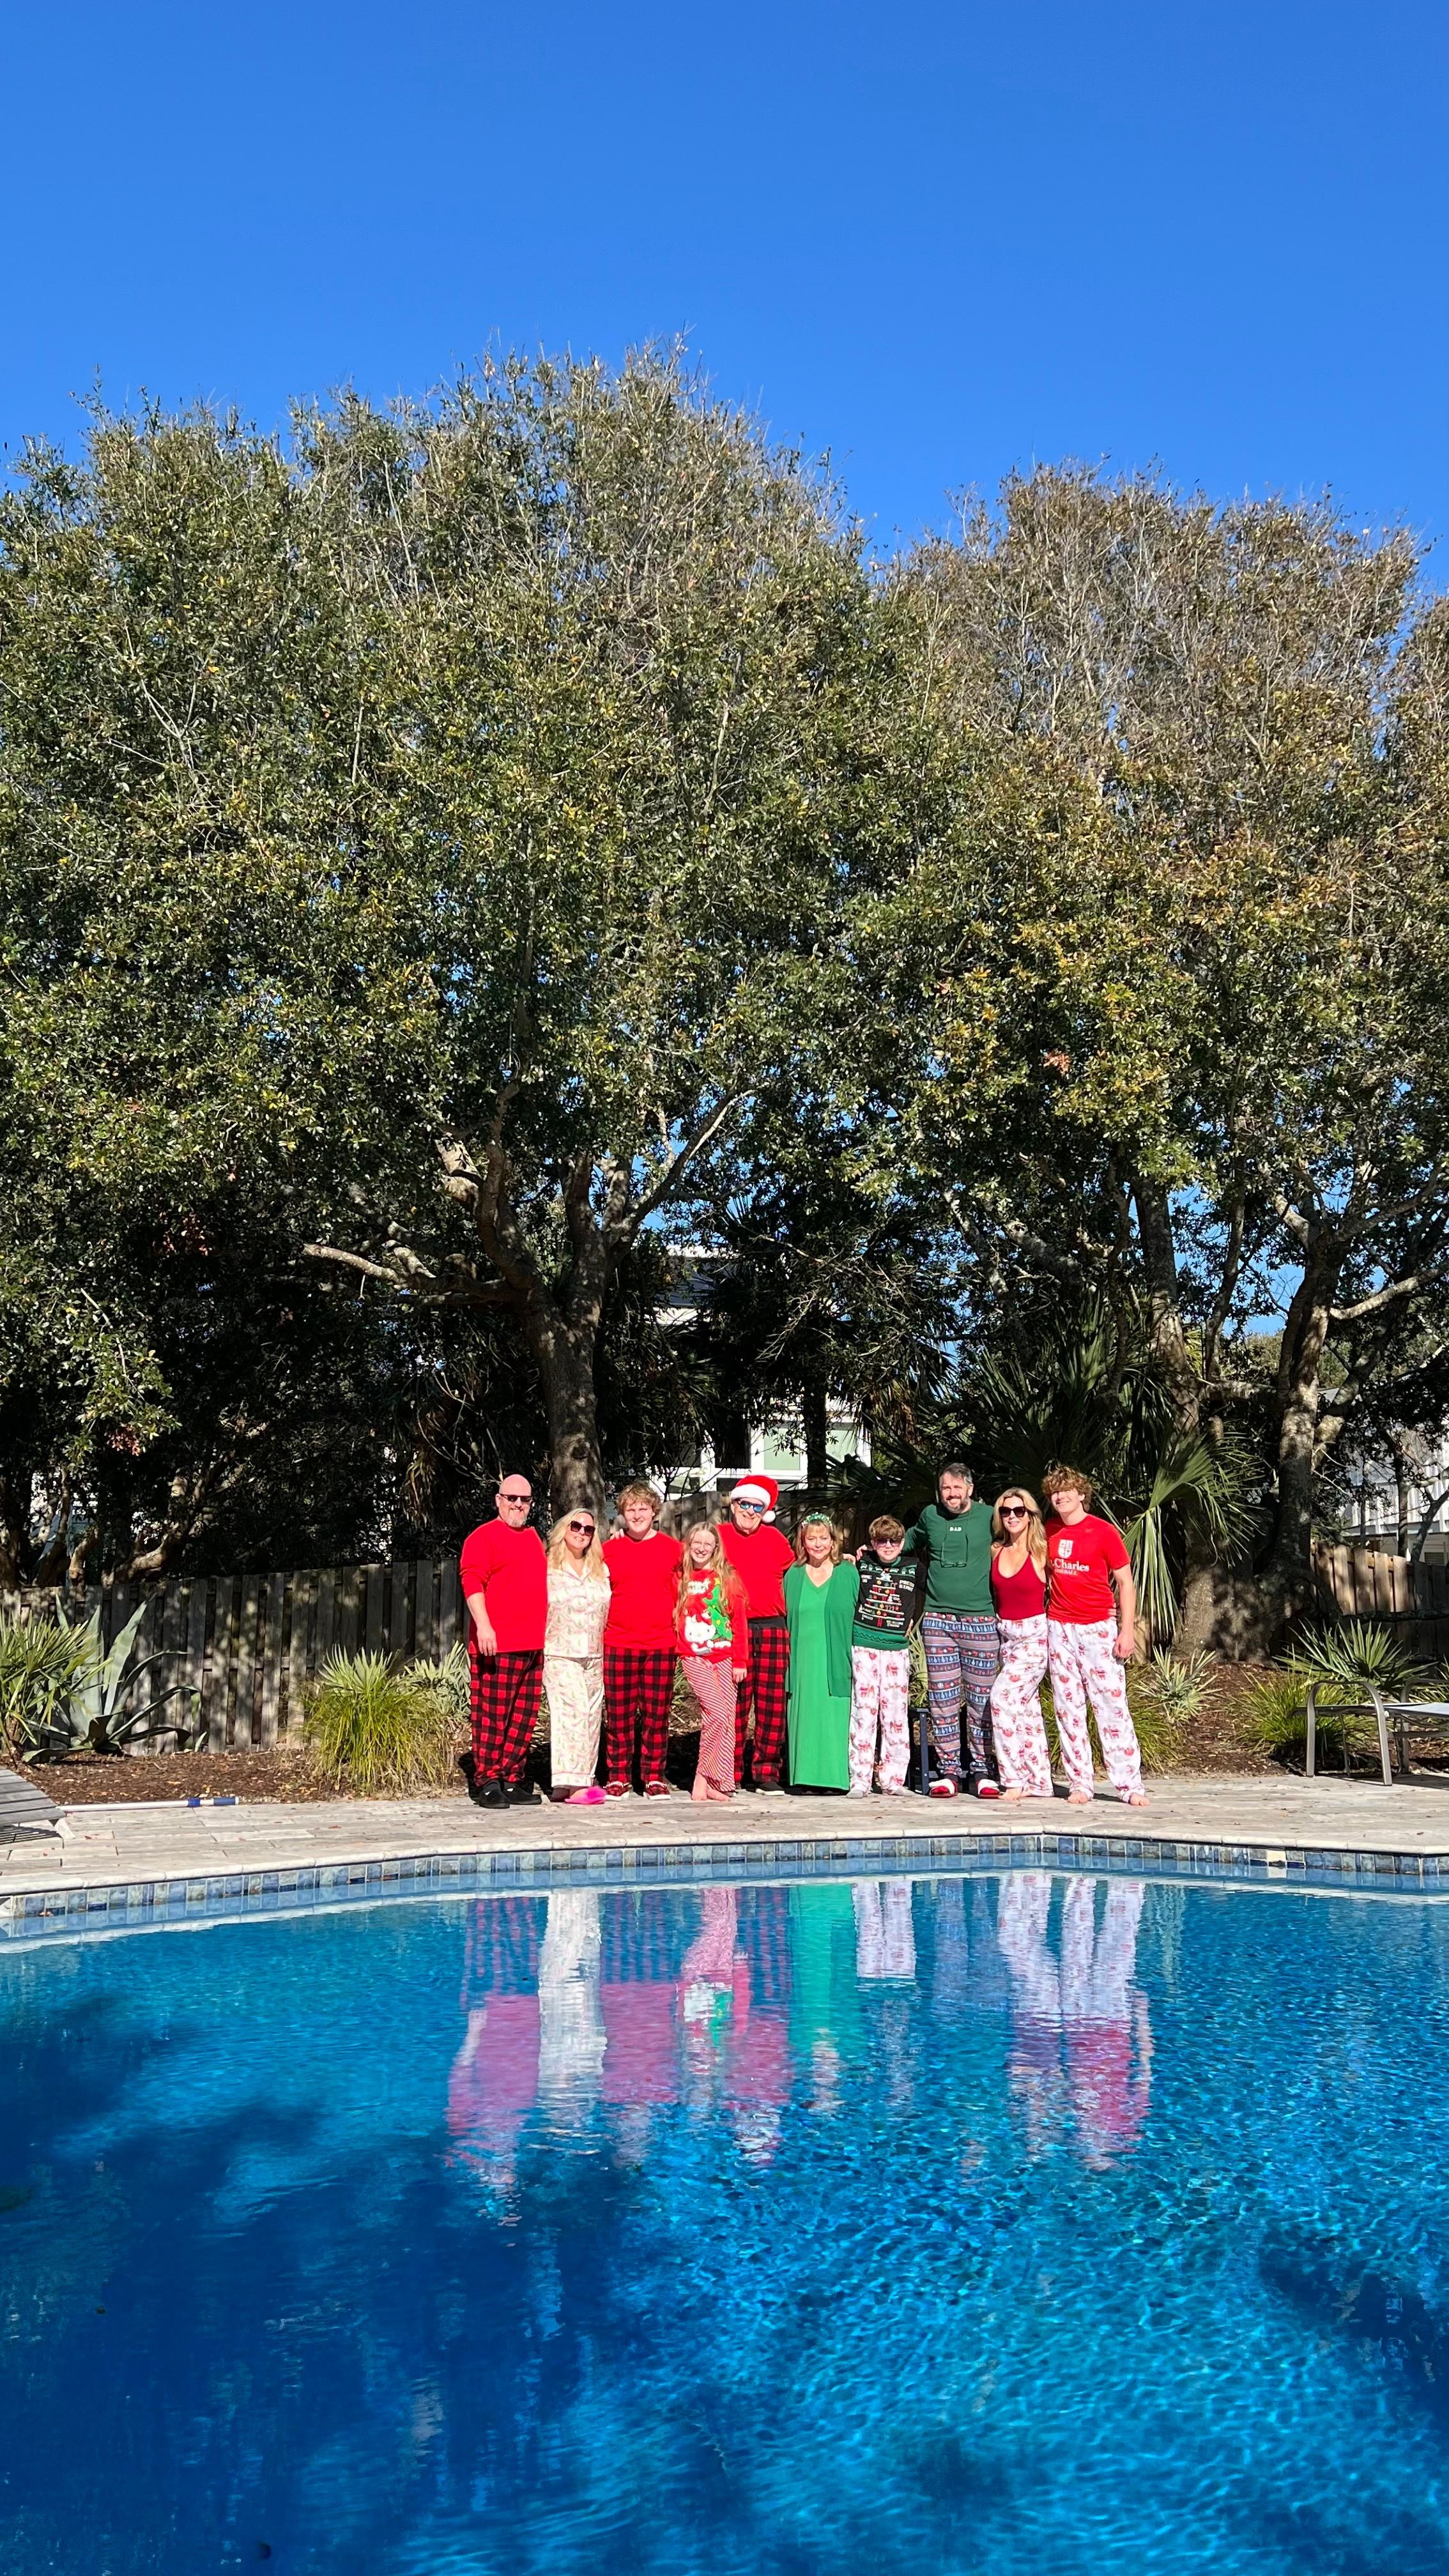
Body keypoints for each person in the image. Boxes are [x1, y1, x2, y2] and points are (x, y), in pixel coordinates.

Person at [1041, 1464, 1147, 1806]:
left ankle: (1129, 1785)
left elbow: (1126, 1583)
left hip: (1098, 1627)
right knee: (1068, 1708)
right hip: (1059, 1627)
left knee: (1112, 1707)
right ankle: (1080, 1783)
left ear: (1081, 1494)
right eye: (1054, 1493)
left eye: (1066, 1491)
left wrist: (1126, 1630)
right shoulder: (1049, 1531)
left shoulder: (1103, 1532)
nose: (1060, 1497)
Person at [905, 1460, 1000, 1798]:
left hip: (981, 1620)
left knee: (981, 1701)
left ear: (970, 1489)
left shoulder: (990, 1516)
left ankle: (982, 1771)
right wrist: (871, 1548)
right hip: (938, 1621)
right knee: (942, 1700)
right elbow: (906, 1541)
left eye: (958, 1487)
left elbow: (1020, 1540)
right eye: (946, 1488)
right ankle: (949, 1772)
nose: (952, 1493)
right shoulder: (930, 1516)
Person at [459, 1473, 548, 1808]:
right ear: (499, 1500)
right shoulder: (482, 1537)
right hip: (497, 1644)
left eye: (525, 1500)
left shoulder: (533, 1538)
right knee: (492, 1716)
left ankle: (512, 1779)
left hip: (532, 1643)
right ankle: (488, 1781)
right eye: (512, 1498)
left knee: (523, 1718)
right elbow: (472, 1582)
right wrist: (484, 1626)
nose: (518, 1505)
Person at [601, 1482, 682, 1798]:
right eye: (630, 1509)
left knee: (656, 1716)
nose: (637, 1515)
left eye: (643, 1508)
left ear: (654, 1512)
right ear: (622, 1514)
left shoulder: (673, 1549)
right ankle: (618, 1776)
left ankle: (654, 1776)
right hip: (619, 1642)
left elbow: (694, 1581)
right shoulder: (609, 1550)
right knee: (618, 1715)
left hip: (660, 1643)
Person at [718, 1474, 797, 1793]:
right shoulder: (718, 1536)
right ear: (734, 1505)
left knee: (771, 1703)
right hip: (731, 1628)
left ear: (765, 1512)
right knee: (733, 1703)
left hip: (772, 1627)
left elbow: (802, 1570)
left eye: (757, 1507)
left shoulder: (776, 1539)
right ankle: (730, 1771)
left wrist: (842, 1559)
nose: (750, 1511)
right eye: (745, 1504)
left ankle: (766, 1772)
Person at [783, 1514, 859, 1792]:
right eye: (811, 1538)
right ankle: (803, 1777)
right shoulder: (793, 1575)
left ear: (833, 1541)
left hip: (836, 1658)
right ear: (803, 1542)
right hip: (802, 1660)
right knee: (804, 1716)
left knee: (833, 1716)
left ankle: (835, 1779)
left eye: (823, 1538)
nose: (818, 1544)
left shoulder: (848, 1573)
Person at [674, 1519, 750, 1802]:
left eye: (708, 1543)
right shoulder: (680, 1576)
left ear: (716, 1548)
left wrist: (741, 1660)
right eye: (697, 1542)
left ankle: (721, 1782)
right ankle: (702, 1776)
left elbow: (739, 1621)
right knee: (717, 1713)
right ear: (688, 1545)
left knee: (726, 1719)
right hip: (694, 1656)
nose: (702, 1548)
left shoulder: (727, 1578)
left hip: (726, 1657)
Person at [988, 1487, 1055, 1802]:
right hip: (1007, 1639)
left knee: (1001, 1700)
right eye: (1006, 1511)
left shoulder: (1042, 1552)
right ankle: (1039, 1782)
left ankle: (1014, 1779)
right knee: (1026, 1710)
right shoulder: (996, 1550)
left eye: (1019, 1511)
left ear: (1030, 1515)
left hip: (1033, 1638)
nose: (1012, 1516)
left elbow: (1070, 1584)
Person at [542, 1505, 611, 1805]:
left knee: (592, 1717)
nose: (582, 1532)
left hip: (594, 1654)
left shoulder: (601, 1569)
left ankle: (568, 1782)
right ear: (564, 1530)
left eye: (588, 1529)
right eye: (576, 1526)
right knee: (573, 1714)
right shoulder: (547, 1568)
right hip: (560, 1652)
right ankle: (578, 1786)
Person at [848, 1512, 919, 1797]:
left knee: (895, 1714)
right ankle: (860, 1780)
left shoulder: (914, 1566)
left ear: (903, 1542)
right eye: (881, 1541)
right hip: (864, 1645)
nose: (888, 1546)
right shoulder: (862, 1563)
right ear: (872, 1543)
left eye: (894, 1541)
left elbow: (931, 1591)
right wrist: (854, 1557)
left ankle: (893, 1780)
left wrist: (914, 1618)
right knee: (864, 1712)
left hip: (896, 1649)